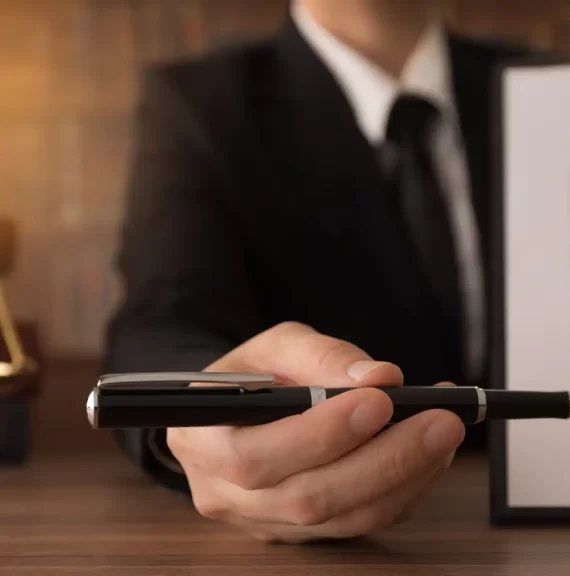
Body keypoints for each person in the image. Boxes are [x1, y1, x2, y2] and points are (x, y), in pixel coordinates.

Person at [103, 0, 529, 542]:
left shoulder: (557, 89)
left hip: (552, 512)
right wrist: (196, 417)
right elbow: (161, 318)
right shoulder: (198, 104)